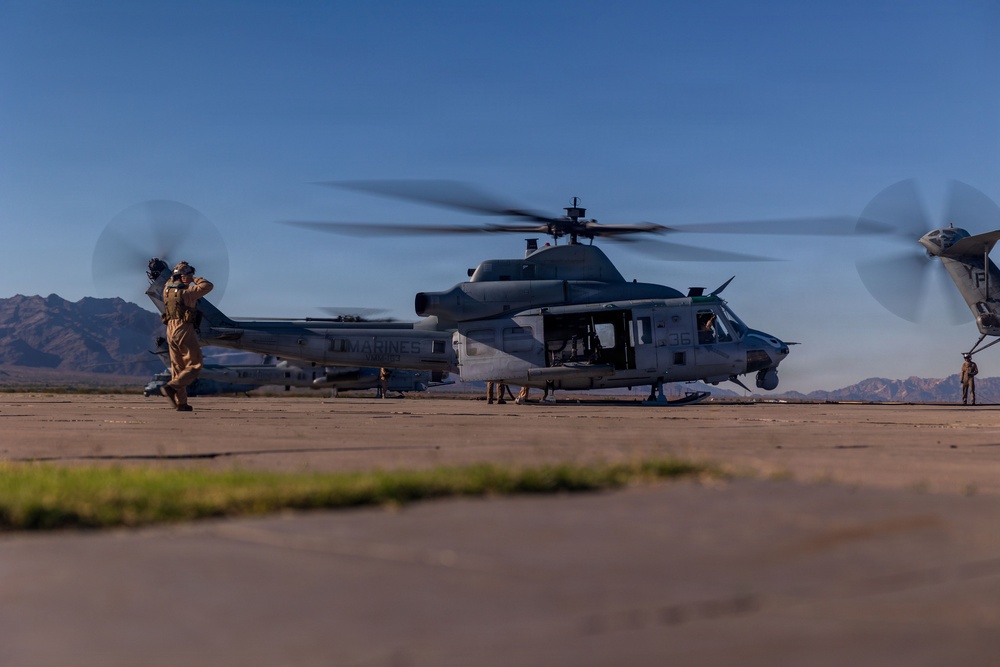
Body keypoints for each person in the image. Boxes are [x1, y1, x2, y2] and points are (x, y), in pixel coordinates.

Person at [159, 261, 213, 412]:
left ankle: (181, 403)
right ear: (183, 276)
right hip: (184, 328)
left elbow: (171, 281)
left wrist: (179, 273)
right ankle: (172, 387)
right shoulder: (187, 293)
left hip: (170, 330)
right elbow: (208, 286)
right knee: (195, 365)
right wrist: (194, 279)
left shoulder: (166, 291)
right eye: (188, 274)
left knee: (177, 368)